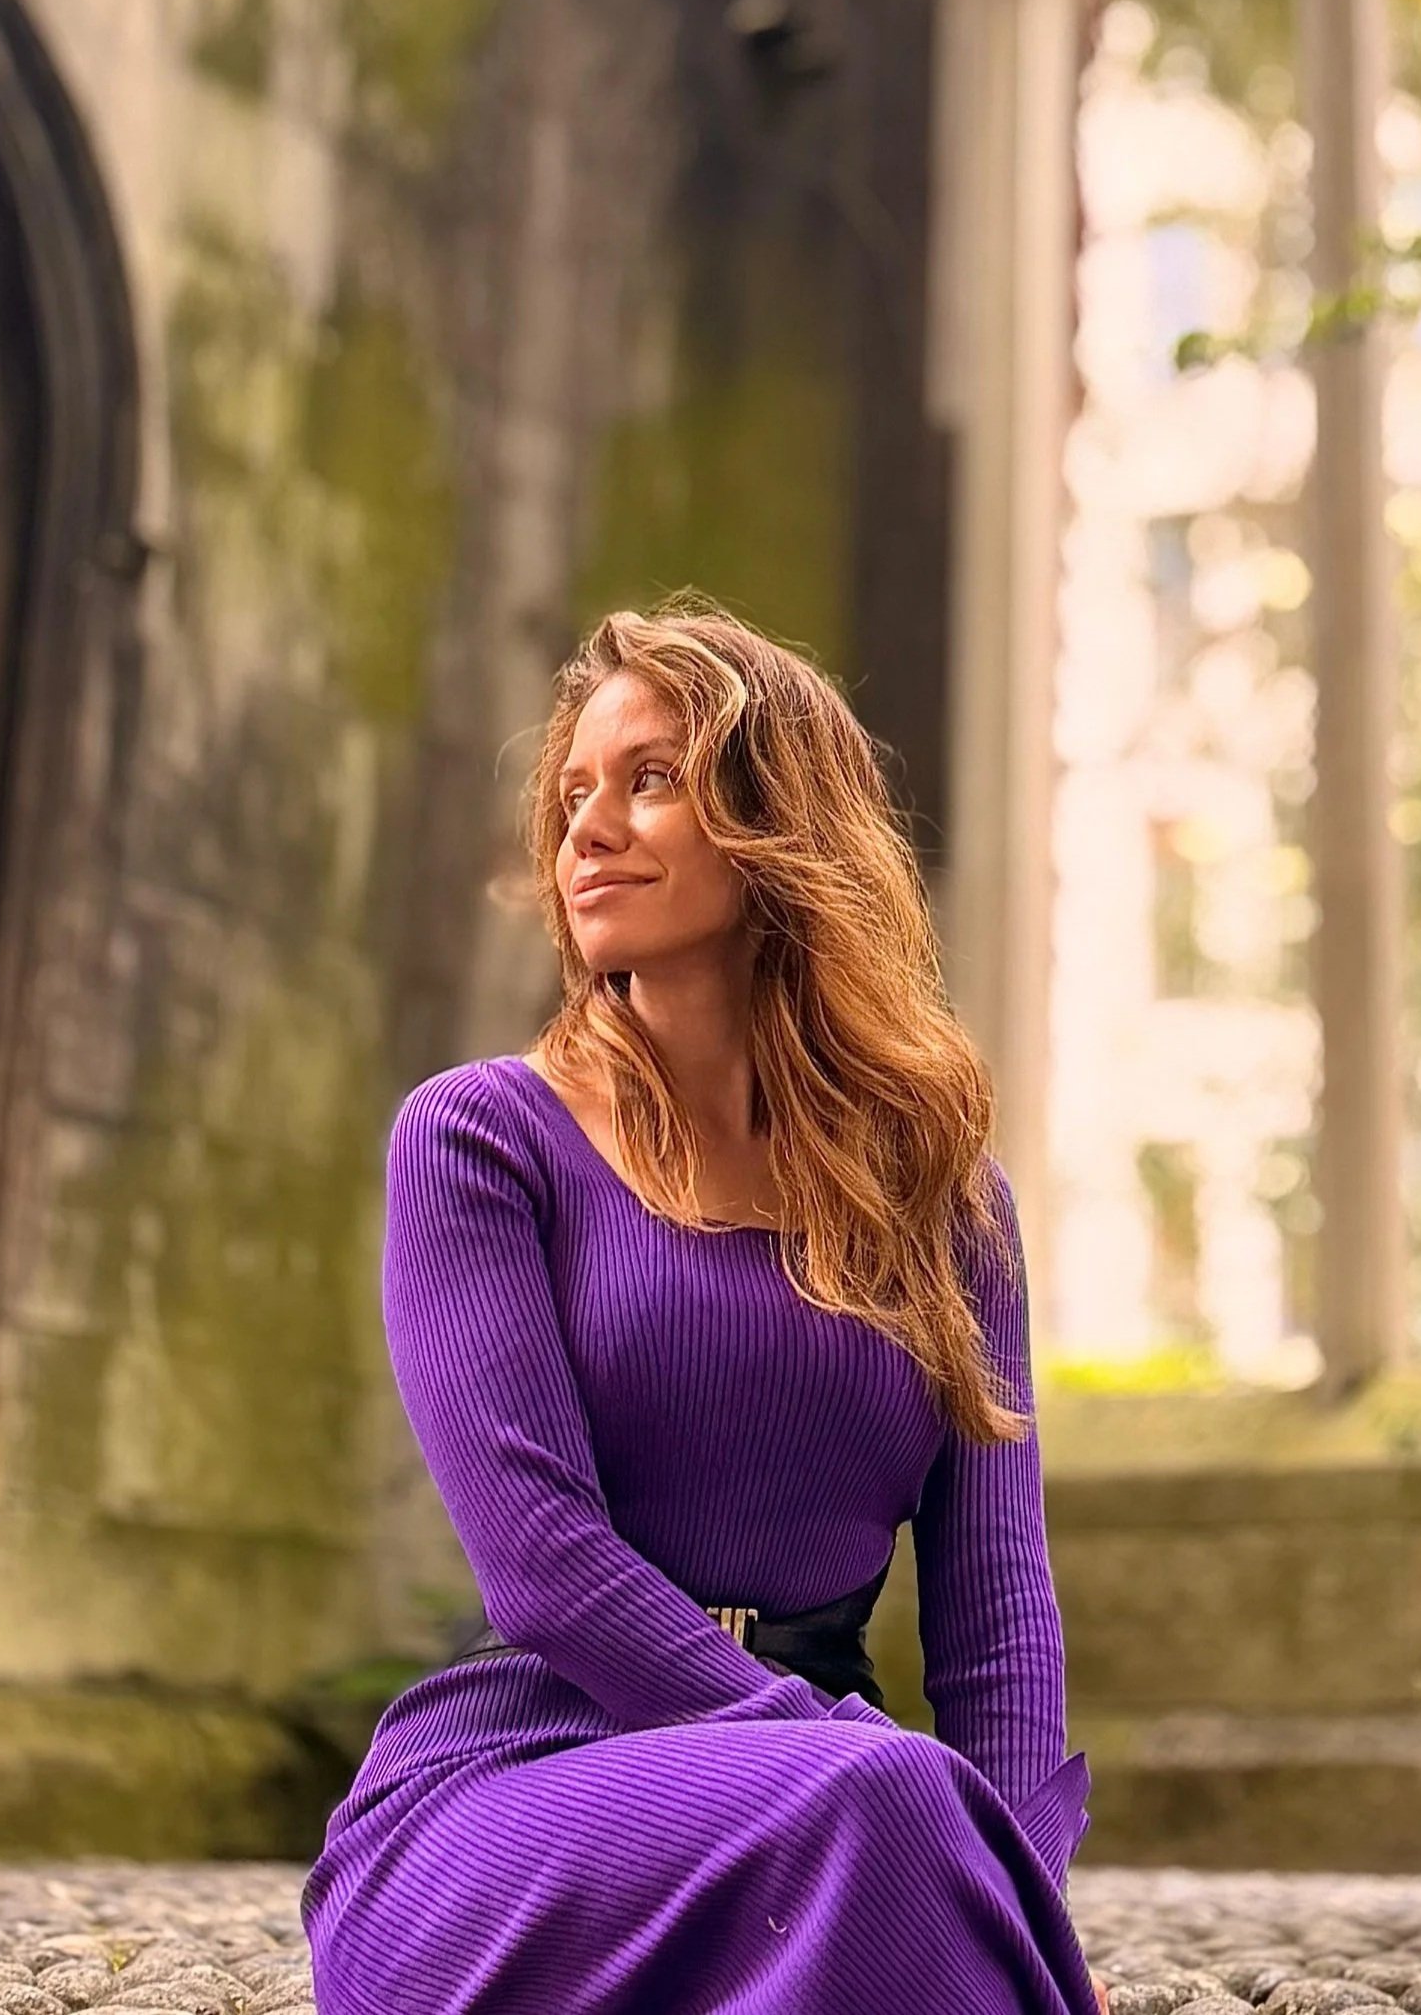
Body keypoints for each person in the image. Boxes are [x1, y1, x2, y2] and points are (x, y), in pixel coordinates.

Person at [302, 599, 1111, 2015]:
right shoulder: (484, 1141)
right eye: (573, 797)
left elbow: (996, 1615)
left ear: (780, 826)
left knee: (887, 1842)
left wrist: (1020, 1884)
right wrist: (837, 1759)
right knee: (883, 1812)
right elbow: (542, 1564)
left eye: (650, 780)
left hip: (832, 1810)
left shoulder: (945, 1199)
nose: (587, 831)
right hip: (512, 1793)